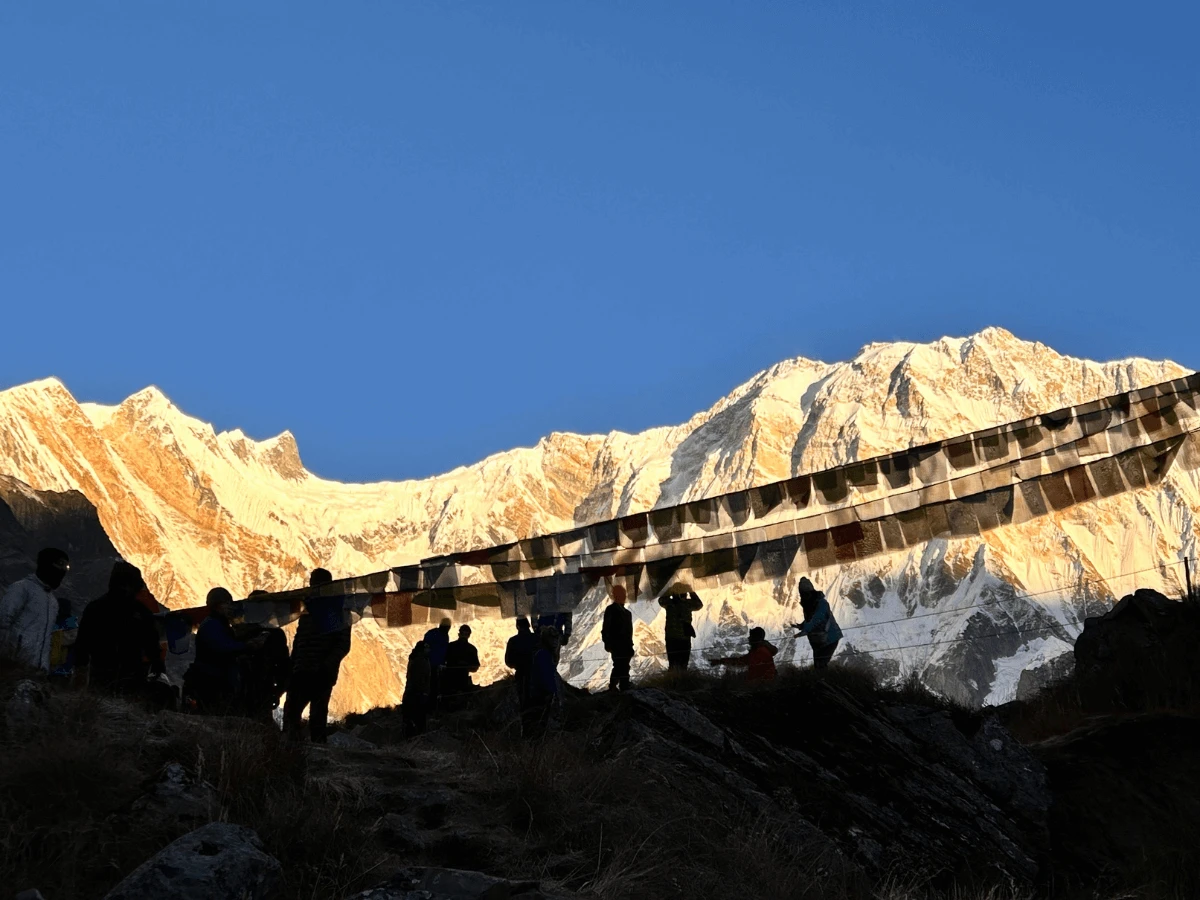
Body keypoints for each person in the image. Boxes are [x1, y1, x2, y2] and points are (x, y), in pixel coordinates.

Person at [75, 561, 165, 695]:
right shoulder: (140, 612)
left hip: (109, 673)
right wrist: (158, 665)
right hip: (124, 674)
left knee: (102, 709)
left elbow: (82, 642)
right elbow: (152, 642)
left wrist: (80, 665)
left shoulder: (96, 607)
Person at [284, 568, 352, 743]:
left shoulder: (337, 609)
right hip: (302, 670)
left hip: (321, 672)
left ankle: (318, 750)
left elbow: (342, 644)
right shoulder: (308, 611)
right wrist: (293, 665)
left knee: (317, 715)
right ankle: (290, 749)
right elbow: (299, 642)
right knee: (292, 712)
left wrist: (326, 665)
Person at [185, 587, 261, 712]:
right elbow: (223, 647)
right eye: (227, 603)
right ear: (218, 606)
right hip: (211, 681)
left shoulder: (219, 624)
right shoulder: (211, 625)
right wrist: (246, 646)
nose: (230, 607)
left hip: (217, 679)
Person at [0, 548, 70, 671]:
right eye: (60, 564)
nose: (62, 571)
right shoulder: (22, 589)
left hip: (39, 670)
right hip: (14, 665)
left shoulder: (52, 601)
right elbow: (3, 621)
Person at [790, 577, 843, 669]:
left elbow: (818, 618)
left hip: (829, 638)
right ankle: (822, 681)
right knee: (819, 666)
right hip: (818, 640)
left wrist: (805, 629)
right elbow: (812, 619)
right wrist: (802, 625)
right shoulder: (810, 604)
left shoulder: (821, 603)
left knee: (821, 665)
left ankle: (824, 681)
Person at [522, 626, 561, 739]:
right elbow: (546, 676)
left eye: (556, 639)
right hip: (540, 695)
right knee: (539, 723)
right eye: (552, 638)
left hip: (537, 693)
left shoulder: (541, 652)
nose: (554, 642)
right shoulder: (544, 655)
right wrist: (551, 692)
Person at [659, 585, 703, 671]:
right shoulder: (676, 603)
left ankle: (676, 680)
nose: (684, 595)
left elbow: (699, 605)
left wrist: (670, 591)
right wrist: (691, 592)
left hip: (675, 638)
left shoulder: (671, 603)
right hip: (680, 639)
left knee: (679, 664)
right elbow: (698, 604)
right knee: (677, 664)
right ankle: (677, 680)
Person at [710, 626, 778, 683]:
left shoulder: (759, 652)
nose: (749, 638)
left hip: (760, 684)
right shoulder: (763, 649)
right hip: (766, 681)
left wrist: (720, 661)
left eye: (751, 637)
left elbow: (742, 662)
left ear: (755, 639)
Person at [602, 584, 634, 692]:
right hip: (617, 644)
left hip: (625, 644)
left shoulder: (627, 613)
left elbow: (629, 631)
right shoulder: (612, 610)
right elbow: (606, 628)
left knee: (623, 665)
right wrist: (608, 642)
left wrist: (630, 644)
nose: (624, 597)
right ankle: (619, 686)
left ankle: (618, 686)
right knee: (620, 665)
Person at [504, 617, 539, 701]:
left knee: (522, 699)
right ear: (528, 625)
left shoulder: (513, 641)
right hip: (537, 675)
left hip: (520, 674)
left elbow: (508, 661)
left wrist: (518, 664)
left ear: (517, 626)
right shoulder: (537, 638)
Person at [422, 617, 452, 711]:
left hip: (433, 666)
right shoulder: (440, 635)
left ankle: (430, 707)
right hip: (433, 666)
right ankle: (431, 707)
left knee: (432, 688)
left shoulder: (433, 634)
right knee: (433, 688)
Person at [402, 640, 431, 737]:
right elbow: (420, 679)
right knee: (419, 716)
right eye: (426, 648)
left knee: (410, 717)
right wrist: (424, 692)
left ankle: (410, 736)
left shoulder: (414, 659)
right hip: (418, 693)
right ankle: (417, 736)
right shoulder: (421, 661)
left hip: (412, 692)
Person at [442, 624, 481, 696]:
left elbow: (475, 667)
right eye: (463, 634)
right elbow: (475, 667)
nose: (464, 636)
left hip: (458, 681)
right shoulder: (470, 648)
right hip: (452, 680)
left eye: (465, 634)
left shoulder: (451, 646)